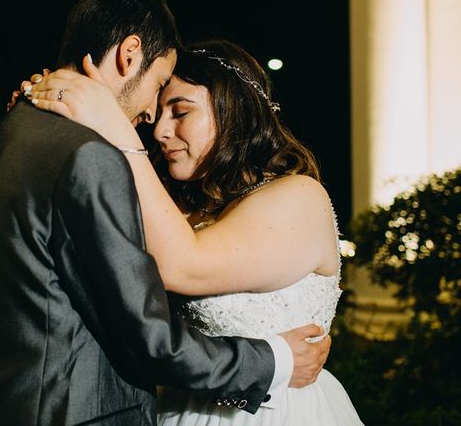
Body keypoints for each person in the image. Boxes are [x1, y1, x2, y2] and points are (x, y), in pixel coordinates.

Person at [0, 0, 330, 426]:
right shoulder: (87, 156)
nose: (153, 124)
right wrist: (272, 361)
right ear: (129, 55)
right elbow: (150, 330)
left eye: (178, 110)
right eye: (159, 88)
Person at [24, 39, 363, 424]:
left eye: (180, 111)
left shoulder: (298, 196)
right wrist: (53, 110)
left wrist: (117, 130)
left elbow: (184, 265)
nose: (160, 131)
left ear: (233, 111)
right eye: (159, 113)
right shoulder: (181, 206)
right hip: (176, 409)